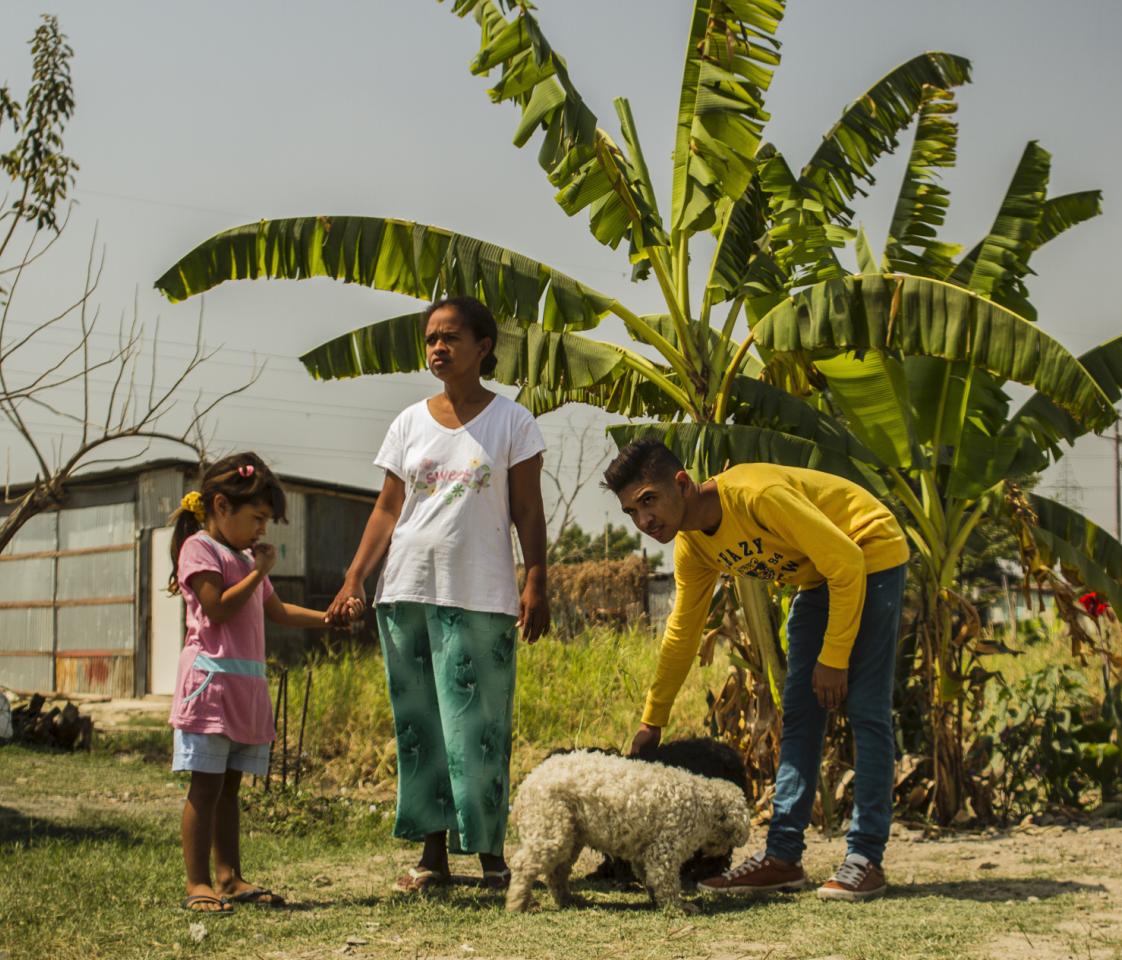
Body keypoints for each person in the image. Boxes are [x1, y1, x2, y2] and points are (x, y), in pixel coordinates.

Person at [603, 439, 909, 902]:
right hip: (818, 579)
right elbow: (682, 633)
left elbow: (847, 561)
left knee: (866, 709)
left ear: (681, 484)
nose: (644, 521)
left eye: (649, 500)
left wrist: (834, 656)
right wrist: (653, 718)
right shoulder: (693, 548)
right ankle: (782, 857)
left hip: (870, 554)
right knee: (801, 715)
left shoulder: (755, 495)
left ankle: (865, 858)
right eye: (631, 512)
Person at [327, 296, 549, 893]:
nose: (437, 348)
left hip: (481, 594)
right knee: (421, 729)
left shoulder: (513, 423)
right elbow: (387, 508)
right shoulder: (408, 422)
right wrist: (355, 578)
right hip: (406, 590)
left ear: (484, 347)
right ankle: (432, 858)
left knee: (478, 730)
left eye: (450, 337)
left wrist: (537, 578)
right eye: (430, 339)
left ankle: (491, 856)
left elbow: (528, 509)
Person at [168, 452, 336, 913]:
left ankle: (230, 877)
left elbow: (277, 611)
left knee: (230, 787)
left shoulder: (243, 557)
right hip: (211, 685)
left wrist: (329, 618)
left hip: (243, 686)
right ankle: (198, 882)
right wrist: (260, 570)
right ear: (221, 506)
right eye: (257, 517)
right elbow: (218, 607)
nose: (263, 528)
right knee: (204, 787)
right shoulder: (199, 549)